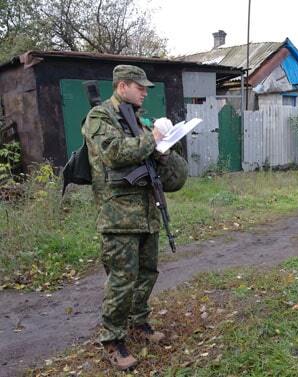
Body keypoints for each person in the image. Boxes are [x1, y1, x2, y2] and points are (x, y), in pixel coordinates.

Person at [82, 65, 186, 371]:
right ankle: (112, 339)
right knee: (122, 281)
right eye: (139, 87)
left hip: (147, 212)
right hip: (118, 217)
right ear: (122, 86)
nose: (144, 92)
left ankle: (138, 323)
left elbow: (160, 167)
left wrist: (163, 150)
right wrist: (151, 139)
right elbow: (113, 153)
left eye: (145, 88)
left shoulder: (138, 122)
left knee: (146, 273)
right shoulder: (100, 117)